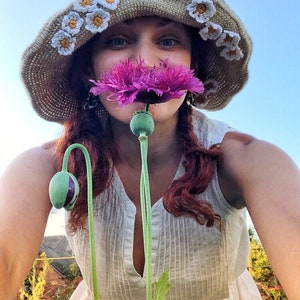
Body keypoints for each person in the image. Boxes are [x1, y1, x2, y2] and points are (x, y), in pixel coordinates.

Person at [0, 0, 299, 299]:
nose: (145, 60)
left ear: (193, 66)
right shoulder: (52, 164)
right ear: (87, 69)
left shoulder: (244, 157)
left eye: (168, 41)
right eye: (117, 41)